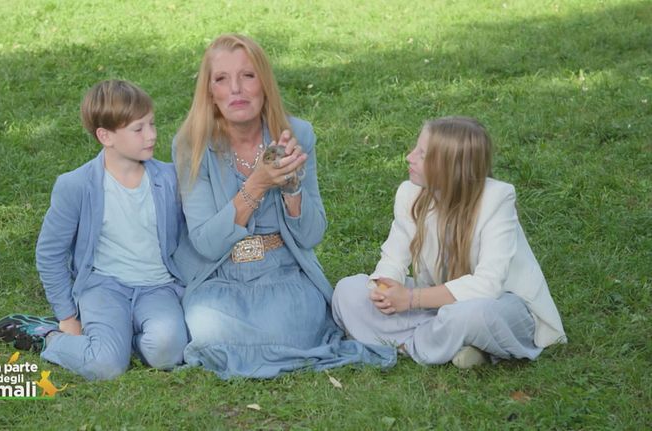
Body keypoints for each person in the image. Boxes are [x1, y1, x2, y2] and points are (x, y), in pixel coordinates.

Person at [171, 33, 395, 379]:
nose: (236, 89)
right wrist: (258, 183)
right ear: (210, 93)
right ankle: (265, 343)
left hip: (282, 269)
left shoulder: (297, 134)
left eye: (248, 76)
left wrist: (292, 186)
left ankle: (258, 344)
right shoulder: (192, 144)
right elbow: (206, 242)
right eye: (222, 79)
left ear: (264, 83)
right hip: (221, 274)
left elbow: (311, 235)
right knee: (206, 322)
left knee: (298, 318)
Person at [0, 80, 189, 380]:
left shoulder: (170, 179)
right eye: (138, 129)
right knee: (105, 366)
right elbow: (50, 253)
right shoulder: (76, 185)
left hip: (158, 287)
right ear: (105, 136)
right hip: (104, 287)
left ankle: (116, 341)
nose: (151, 135)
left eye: (152, 123)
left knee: (168, 353)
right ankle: (49, 336)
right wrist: (68, 317)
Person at [332, 116, 567, 369]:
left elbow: (488, 285)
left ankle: (410, 344)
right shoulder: (409, 193)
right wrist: (385, 286)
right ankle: (457, 345)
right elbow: (393, 257)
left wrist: (410, 299)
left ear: (450, 168)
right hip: (435, 302)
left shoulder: (497, 198)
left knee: (472, 315)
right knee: (349, 291)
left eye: (422, 155)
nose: (409, 157)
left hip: (500, 304)